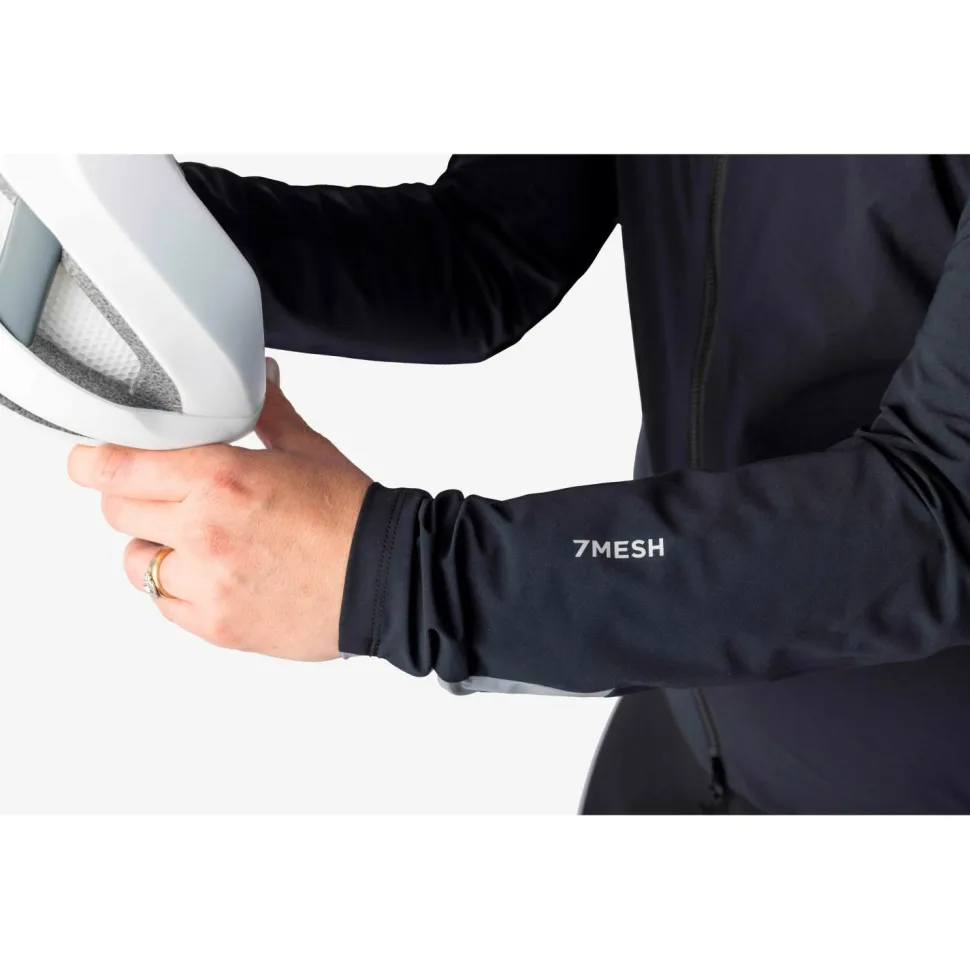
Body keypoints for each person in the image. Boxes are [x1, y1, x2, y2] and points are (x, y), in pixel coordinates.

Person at [67, 155, 970, 814]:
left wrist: (405, 578)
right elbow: (487, 245)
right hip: (679, 732)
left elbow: (941, 506)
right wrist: (131, 232)